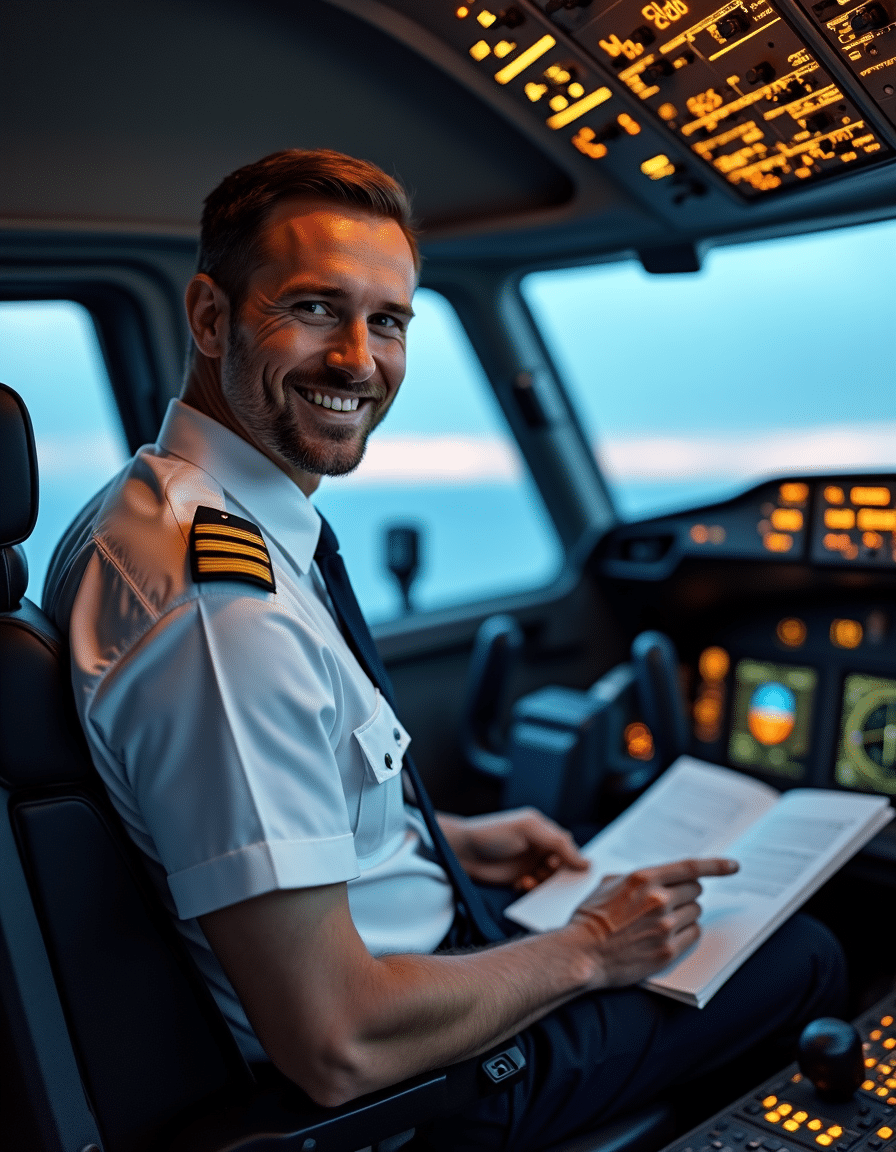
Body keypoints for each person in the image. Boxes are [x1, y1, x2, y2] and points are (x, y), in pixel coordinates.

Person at [45, 148, 845, 1152]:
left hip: (410, 965)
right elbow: (337, 1042)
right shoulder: (224, 618)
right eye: (314, 308)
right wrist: (591, 951)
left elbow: (231, 818)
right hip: (427, 1089)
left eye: (387, 322)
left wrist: (448, 841)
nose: (357, 360)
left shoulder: (143, 507)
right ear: (211, 318)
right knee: (807, 953)